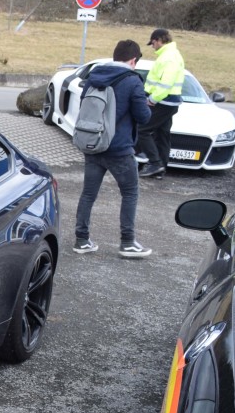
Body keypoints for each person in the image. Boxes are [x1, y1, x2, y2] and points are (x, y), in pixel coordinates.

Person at [73, 39, 153, 258]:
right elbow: (143, 117)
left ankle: (81, 240)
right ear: (133, 60)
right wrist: (146, 104)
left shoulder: (94, 77)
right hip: (119, 149)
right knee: (130, 193)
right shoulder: (132, 81)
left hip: (93, 145)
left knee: (88, 194)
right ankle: (127, 242)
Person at [136, 28, 185, 179]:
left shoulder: (169, 57)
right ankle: (160, 168)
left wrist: (152, 99)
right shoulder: (172, 55)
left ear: (159, 40)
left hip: (163, 101)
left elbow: (166, 83)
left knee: (142, 130)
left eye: (153, 43)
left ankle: (155, 163)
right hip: (169, 102)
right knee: (162, 135)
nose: (152, 46)